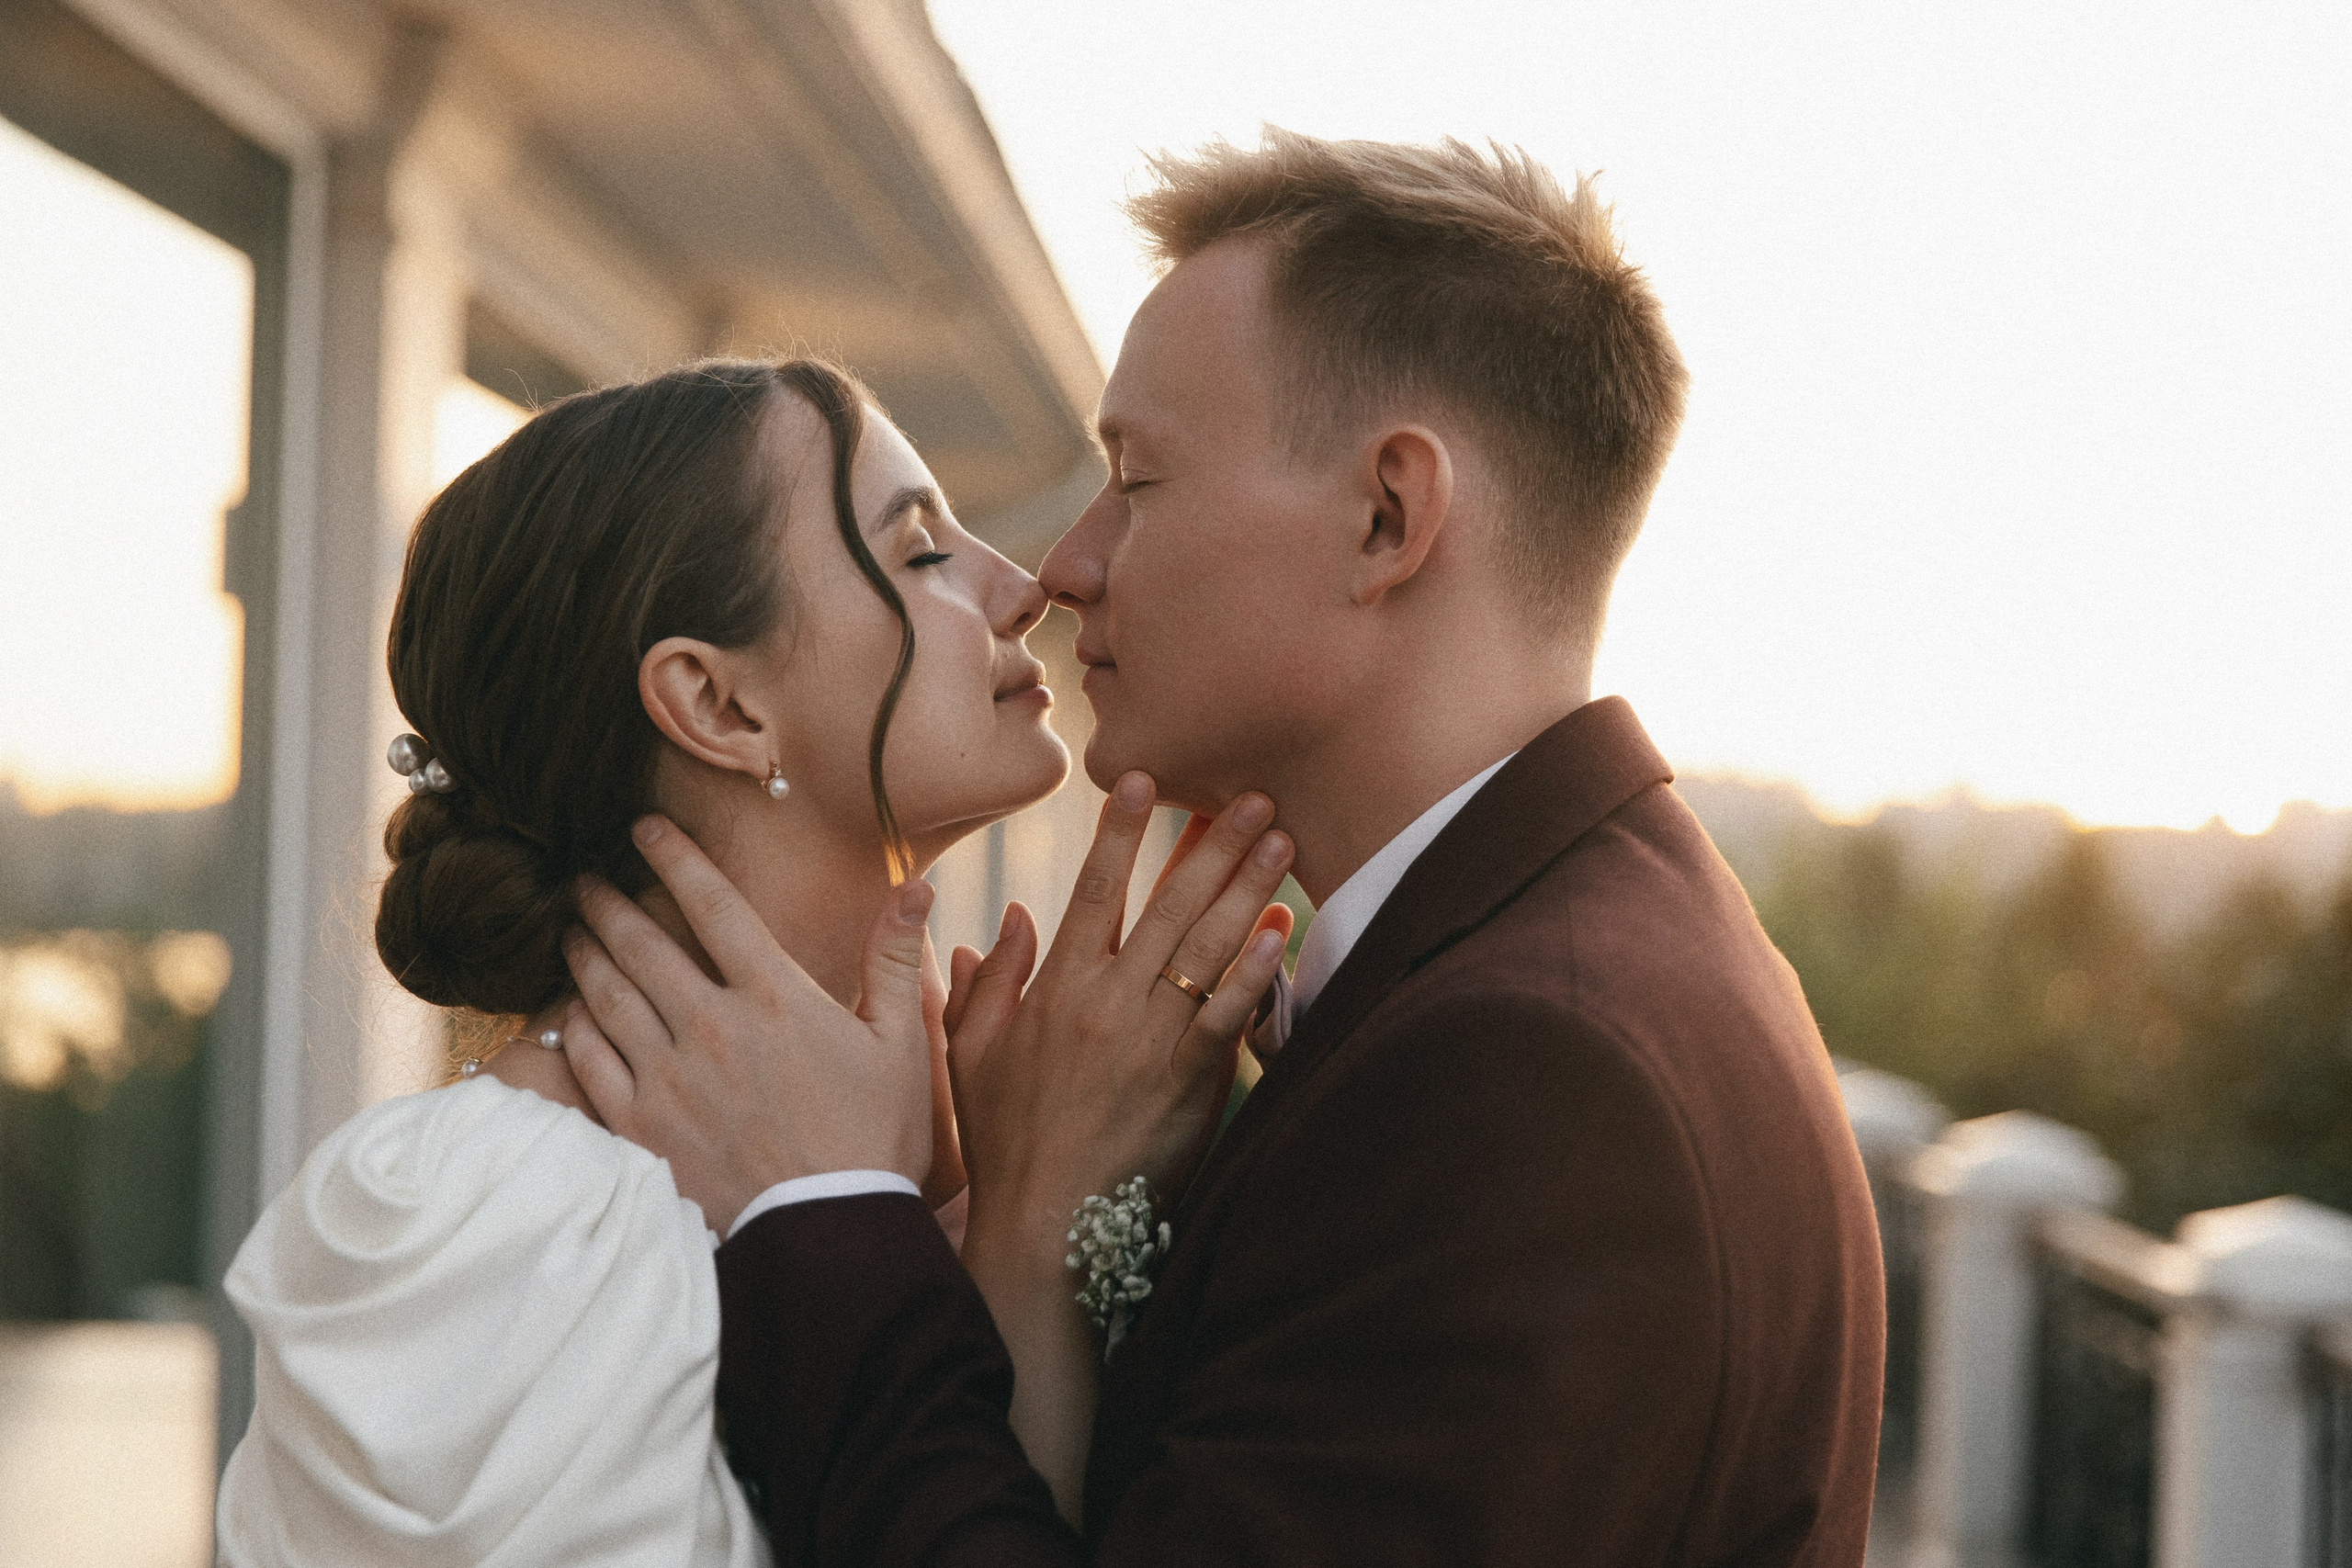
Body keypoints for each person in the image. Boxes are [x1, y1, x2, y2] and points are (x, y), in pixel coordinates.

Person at [562, 130, 1887, 1565]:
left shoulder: (1535, 1073)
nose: (1063, 568)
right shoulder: (1533, 975)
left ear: (1387, 516)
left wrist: (820, 1211)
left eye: (1137, 479)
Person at [210, 356, 1299, 1566]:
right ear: (717, 706)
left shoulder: (927, 1153)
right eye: (919, 551)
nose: (1022, 586)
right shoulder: (508, 1216)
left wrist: (1016, 1229)